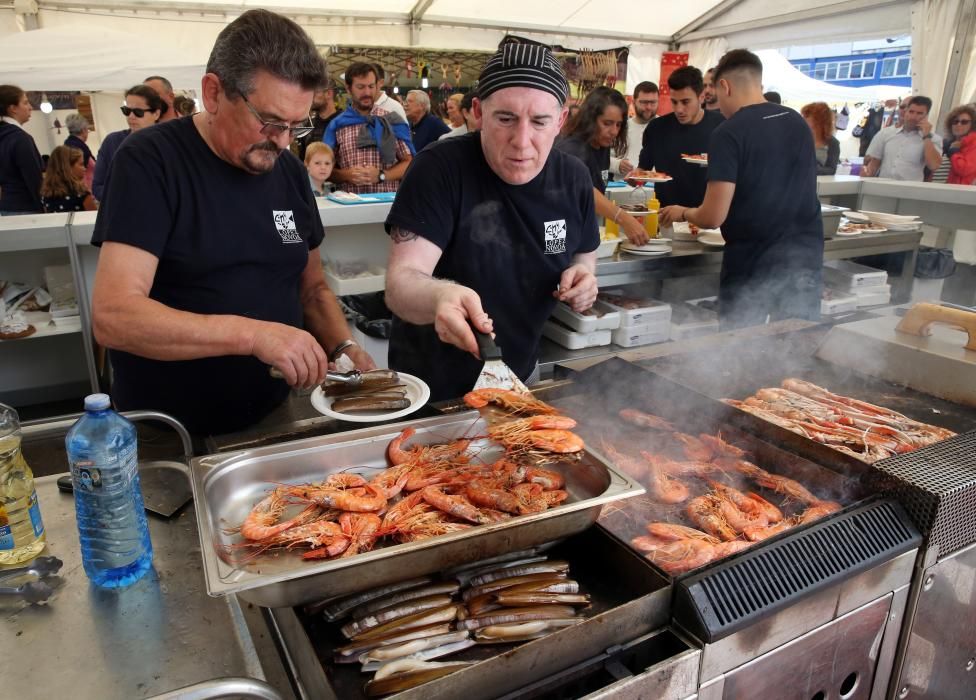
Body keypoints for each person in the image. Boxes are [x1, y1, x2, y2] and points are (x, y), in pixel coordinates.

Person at [90, 9, 375, 435]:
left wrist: (346, 347)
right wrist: (254, 336)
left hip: (275, 413)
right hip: (168, 430)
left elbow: (312, 289)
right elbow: (115, 316)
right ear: (213, 92)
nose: (281, 141)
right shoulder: (151, 161)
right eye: (270, 122)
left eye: (296, 126)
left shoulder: (290, 173)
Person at [383, 41, 599, 402]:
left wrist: (584, 279)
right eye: (506, 119)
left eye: (540, 122)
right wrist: (440, 295)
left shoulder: (574, 178)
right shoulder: (439, 168)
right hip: (431, 389)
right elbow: (399, 284)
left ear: (561, 121)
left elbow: (583, 257)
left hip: (520, 375)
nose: (521, 141)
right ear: (479, 113)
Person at [660, 49, 823, 330]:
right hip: (803, 255)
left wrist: (683, 212)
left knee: (740, 353)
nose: (718, 104)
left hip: (752, 259)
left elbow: (713, 216)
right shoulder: (796, 122)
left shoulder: (729, 132)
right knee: (797, 345)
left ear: (725, 86)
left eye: (715, 94)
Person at [556, 86, 647, 246]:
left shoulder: (601, 146)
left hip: (580, 232)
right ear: (590, 119)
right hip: (558, 233)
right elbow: (585, 191)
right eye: (607, 123)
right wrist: (623, 218)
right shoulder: (572, 148)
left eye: (618, 125)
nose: (614, 131)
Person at [638, 66, 723, 208]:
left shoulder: (721, 126)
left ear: (701, 96)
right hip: (666, 216)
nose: (679, 109)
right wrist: (634, 177)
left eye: (685, 102)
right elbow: (642, 170)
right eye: (674, 102)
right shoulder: (656, 128)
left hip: (708, 216)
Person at [325, 62, 414, 194]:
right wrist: (346, 175)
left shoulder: (391, 120)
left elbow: (410, 163)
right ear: (348, 89)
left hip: (387, 206)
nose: (367, 92)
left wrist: (382, 175)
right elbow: (322, 168)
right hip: (349, 207)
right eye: (360, 87)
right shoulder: (337, 125)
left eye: (371, 86)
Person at [92, 84, 165, 201]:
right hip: (122, 213)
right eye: (127, 111)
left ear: (156, 114)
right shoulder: (112, 142)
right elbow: (98, 187)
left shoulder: (167, 144)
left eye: (138, 112)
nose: (131, 116)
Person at [863, 96, 942, 181]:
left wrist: (926, 137)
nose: (914, 116)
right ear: (906, 112)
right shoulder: (885, 133)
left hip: (911, 190)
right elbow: (873, 163)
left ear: (926, 116)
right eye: (911, 112)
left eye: (919, 113)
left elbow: (934, 165)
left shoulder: (934, 138)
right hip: (884, 186)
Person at [0, 84, 43, 215]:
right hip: (25, 207)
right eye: (25, 103)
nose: (30, 107)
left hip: (5, 207)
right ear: (13, 108)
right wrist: (43, 206)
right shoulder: (20, 138)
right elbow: (33, 178)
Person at [611, 81, 658, 176]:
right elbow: (603, 157)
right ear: (633, 102)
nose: (648, 107)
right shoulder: (621, 127)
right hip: (622, 188)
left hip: (656, 188)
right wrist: (617, 165)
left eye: (653, 102)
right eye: (644, 102)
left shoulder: (666, 128)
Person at [40, 145, 97, 213]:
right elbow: (95, 218)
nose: (84, 168)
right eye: (81, 164)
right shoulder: (81, 193)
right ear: (68, 168)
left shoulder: (46, 195)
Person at [296, 84, 336, 161]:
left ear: (328, 93)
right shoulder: (308, 125)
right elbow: (302, 159)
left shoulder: (344, 124)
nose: (310, 98)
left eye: (314, 93)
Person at [801, 102, 840, 175]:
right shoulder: (799, 138)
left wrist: (809, 169)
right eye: (804, 116)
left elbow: (831, 170)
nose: (803, 118)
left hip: (819, 183)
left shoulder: (833, 143)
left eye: (807, 116)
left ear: (819, 120)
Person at [940, 105, 976, 185]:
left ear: (972, 125)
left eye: (964, 122)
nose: (959, 124)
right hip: (938, 190)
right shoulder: (947, 143)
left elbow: (964, 169)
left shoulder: (973, 144)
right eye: (955, 122)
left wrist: (954, 152)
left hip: (959, 193)